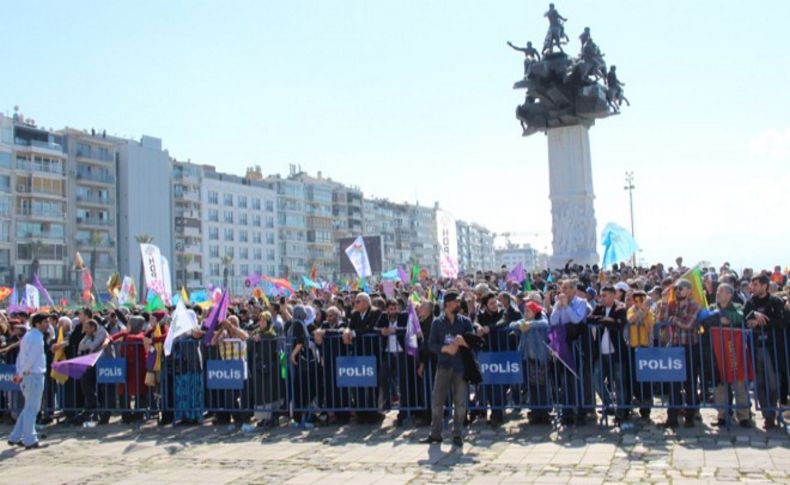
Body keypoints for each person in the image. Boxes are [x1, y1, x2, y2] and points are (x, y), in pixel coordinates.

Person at [420, 291, 473, 447]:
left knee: (460, 402)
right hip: (443, 366)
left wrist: (465, 341)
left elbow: (474, 341)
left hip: (460, 367)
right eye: (456, 302)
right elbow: (431, 344)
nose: (459, 304)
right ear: (448, 304)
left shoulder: (465, 322)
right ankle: (435, 434)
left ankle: (457, 434)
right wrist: (444, 348)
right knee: (437, 401)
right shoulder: (437, 323)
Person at [743, 274, 787, 429]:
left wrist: (763, 320)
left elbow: (782, 322)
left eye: (755, 284)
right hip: (755, 347)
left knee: (773, 384)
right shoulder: (750, 302)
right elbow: (744, 317)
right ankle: (767, 416)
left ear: (764, 286)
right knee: (759, 383)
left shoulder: (775, 302)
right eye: (752, 284)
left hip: (771, 348)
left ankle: (773, 410)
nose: (752, 287)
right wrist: (754, 315)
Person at [7, 312, 49, 449]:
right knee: (32, 409)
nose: (47, 324)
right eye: (45, 322)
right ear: (38, 323)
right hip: (33, 375)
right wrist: (23, 372)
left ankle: (15, 436)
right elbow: (30, 358)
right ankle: (30, 439)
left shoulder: (28, 335)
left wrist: (20, 373)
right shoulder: (37, 337)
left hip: (28, 375)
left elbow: (21, 357)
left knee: (28, 408)